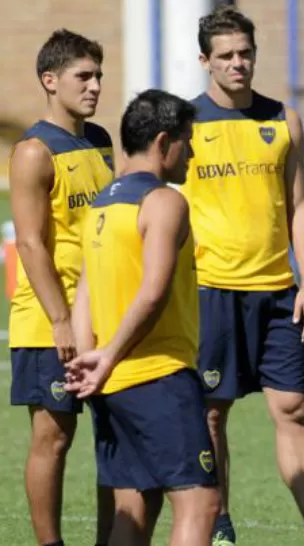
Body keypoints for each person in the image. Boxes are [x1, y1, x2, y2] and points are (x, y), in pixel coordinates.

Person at [180, 6, 304, 546]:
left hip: (278, 292)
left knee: (293, 408)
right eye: (225, 56)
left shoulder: (283, 118)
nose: (237, 64)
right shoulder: (184, 124)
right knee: (211, 413)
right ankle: (220, 522)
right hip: (211, 292)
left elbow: (298, 205)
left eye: (245, 53)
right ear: (205, 61)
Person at [64, 89, 219, 546]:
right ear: (164, 141)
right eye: (187, 142)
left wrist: (88, 359)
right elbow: (153, 293)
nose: (191, 153)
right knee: (200, 503)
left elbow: (84, 294)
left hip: (112, 385)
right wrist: (107, 357)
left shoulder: (101, 206)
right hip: (158, 376)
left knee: (135, 507)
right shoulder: (164, 202)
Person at [8, 28, 115, 546]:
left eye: (98, 75)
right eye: (84, 76)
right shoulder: (33, 151)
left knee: (115, 436)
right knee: (53, 437)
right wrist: (60, 320)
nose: (95, 86)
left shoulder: (101, 141)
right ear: (50, 81)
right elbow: (29, 244)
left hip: (102, 317)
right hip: (49, 320)